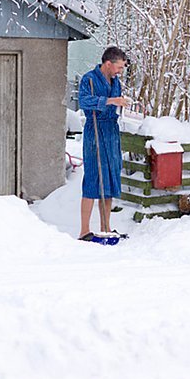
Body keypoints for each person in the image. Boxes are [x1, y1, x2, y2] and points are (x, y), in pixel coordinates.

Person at [78, 46, 129, 240]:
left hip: (111, 131)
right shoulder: (89, 79)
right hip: (95, 131)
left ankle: (106, 227)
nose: (120, 71)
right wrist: (110, 101)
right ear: (108, 64)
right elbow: (84, 102)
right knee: (93, 178)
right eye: (119, 67)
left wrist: (122, 105)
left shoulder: (115, 82)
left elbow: (115, 102)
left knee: (109, 178)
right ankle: (84, 231)